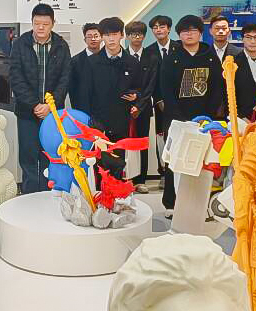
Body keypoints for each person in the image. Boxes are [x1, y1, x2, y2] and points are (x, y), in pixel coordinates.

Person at [157, 14, 225, 214]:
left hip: (204, 119)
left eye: (193, 30)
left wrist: (208, 114)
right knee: (174, 159)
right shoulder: (172, 57)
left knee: (201, 161)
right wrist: (178, 117)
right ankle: (171, 203)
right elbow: (165, 89)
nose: (189, 34)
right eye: (185, 31)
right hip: (176, 119)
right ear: (179, 34)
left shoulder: (210, 57)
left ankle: (198, 203)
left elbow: (217, 88)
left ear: (201, 33)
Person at [73, 17, 148, 185]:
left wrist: (135, 96)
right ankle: (100, 195)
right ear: (102, 37)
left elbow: (139, 88)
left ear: (122, 35)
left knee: (119, 162)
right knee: (99, 164)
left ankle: (117, 195)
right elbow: (84, 94)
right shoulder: (92, 62)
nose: (111, 39)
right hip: (98, 122)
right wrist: (88, 121)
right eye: (107, 35)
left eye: (114, 34)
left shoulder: (132, 62)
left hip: (122, 120)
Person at [8, 4, 72, 195]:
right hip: (27, 111)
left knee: (49, 153)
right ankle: (29, 195)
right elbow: (15, 77)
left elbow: (65, 78)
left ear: (53, 23)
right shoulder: (20, 44)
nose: (41, 27)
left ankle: (47, 194)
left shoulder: (61, 45)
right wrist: (35, 104)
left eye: (45, 23)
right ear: (32, 22)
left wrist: (50, 106)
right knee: (28, 156)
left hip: (52, 113)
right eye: (37, 23)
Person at [144, 15, 178, 190]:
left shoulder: (179, 47)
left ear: (169, 29)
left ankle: (177, 172)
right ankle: (163, 172)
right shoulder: (149, 51)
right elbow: (150, 80)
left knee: (178, 136)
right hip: (160, 103)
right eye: (155, 27)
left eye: (162, 26)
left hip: (179, 102)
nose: (159, 30)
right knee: (161, 137)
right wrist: (158, 99)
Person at [124, 20, 154, 190]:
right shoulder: (122, 55)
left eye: (140, 34)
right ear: (127, 36)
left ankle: (141, 180)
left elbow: (152, 84)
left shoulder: (152, 56)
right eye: (133, 34)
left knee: (142, 142)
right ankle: (126, 178)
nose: (137, 37)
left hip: (144, 107)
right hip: (124, 106)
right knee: (124, 142)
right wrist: (130, 99)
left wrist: (140, 101)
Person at [68, 22, 103, 110]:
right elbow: (72, 89)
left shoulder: (108, 59)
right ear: (85, 40)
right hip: (83, 108)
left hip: (105, 109)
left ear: (101, 38)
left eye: (96, 36)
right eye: (89, 36)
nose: (93, 39)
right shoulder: (75, 61)